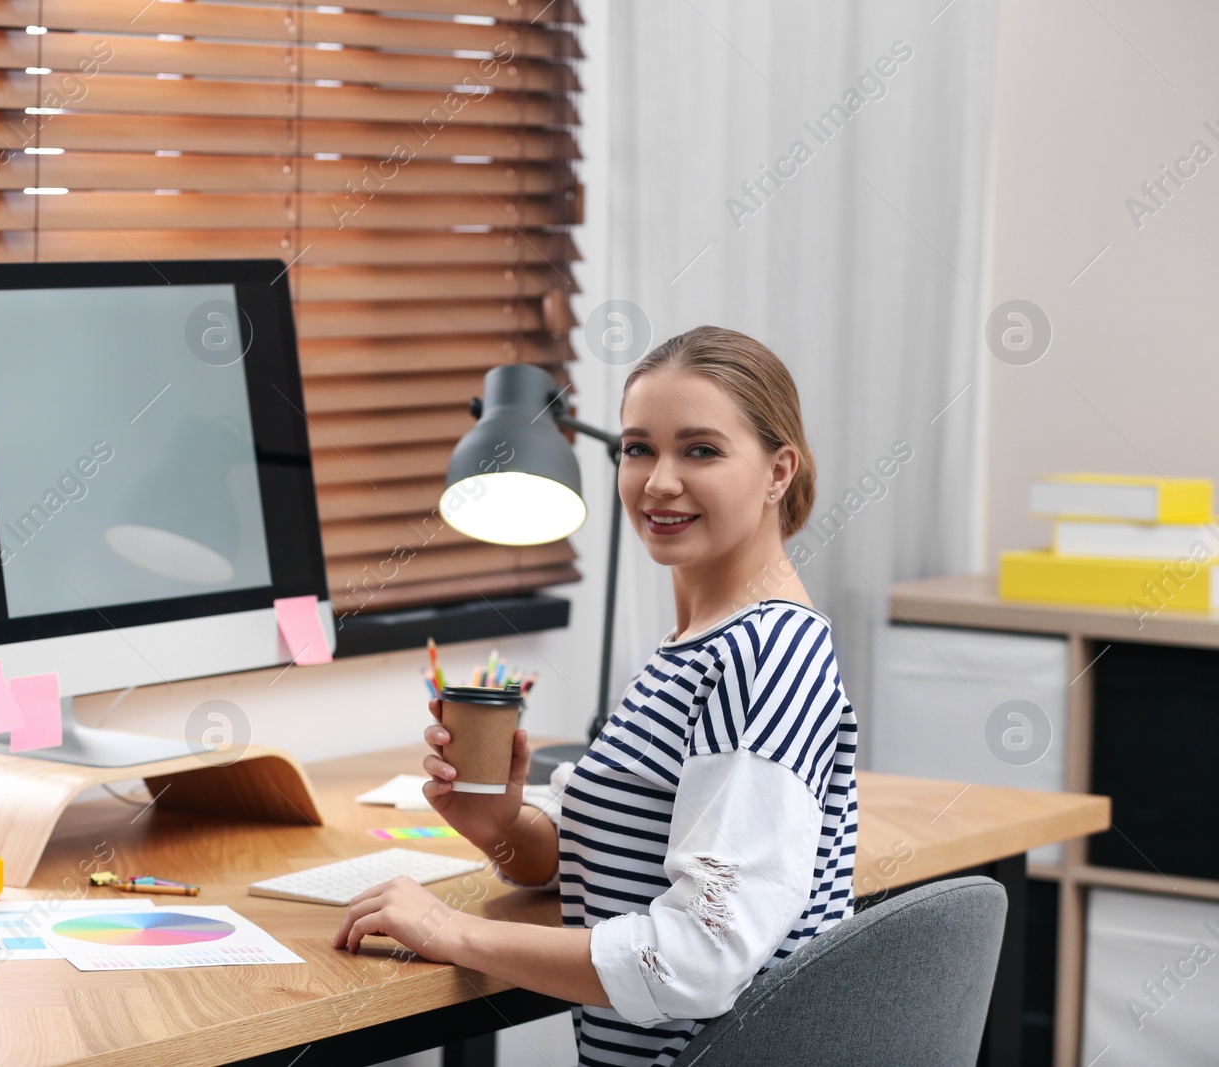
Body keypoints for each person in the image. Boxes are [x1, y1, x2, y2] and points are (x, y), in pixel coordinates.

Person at [333, 325, 860, 1066]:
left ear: (778, 471)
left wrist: (451, 931)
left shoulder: (767, 653)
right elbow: (623, 859)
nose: (659, 480)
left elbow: (698, 956)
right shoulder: (695, 645)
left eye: (700, 449)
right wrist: (501, 824)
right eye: (639, 447)